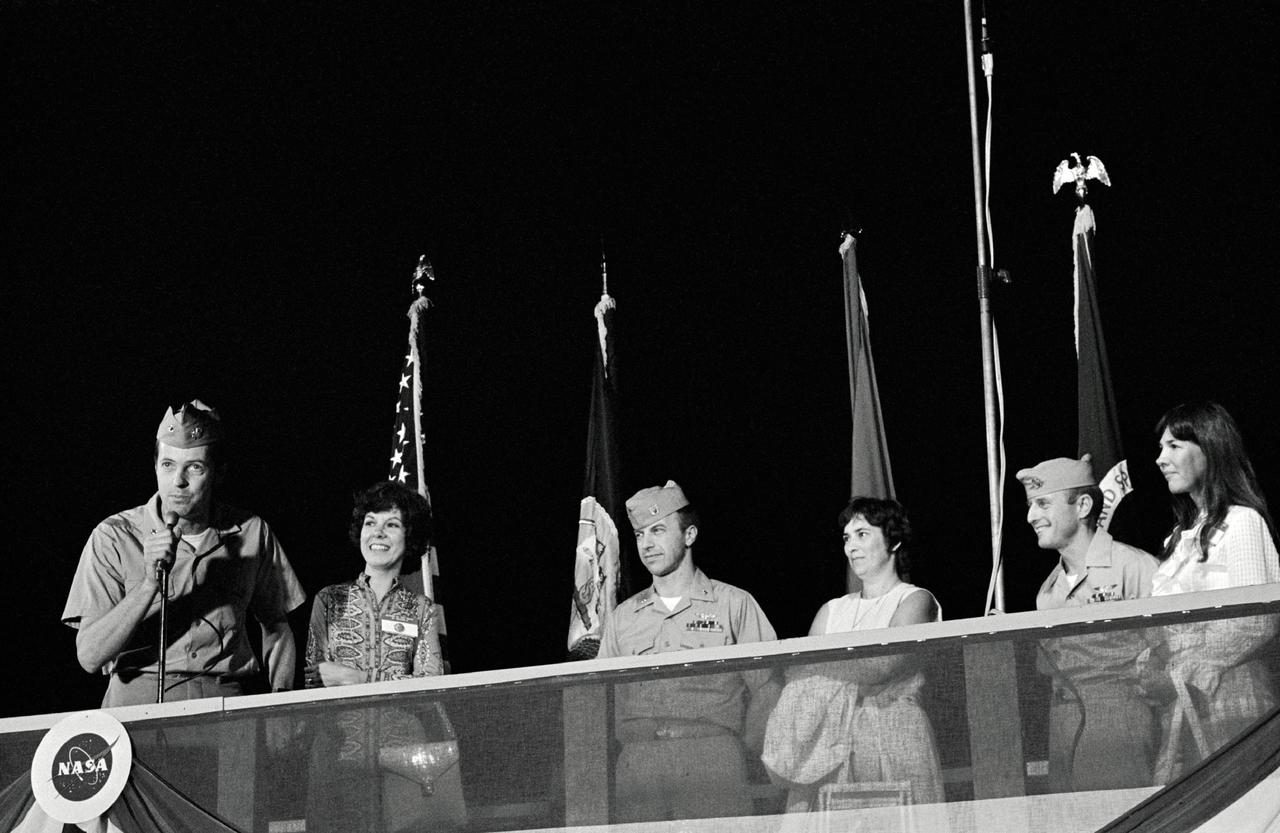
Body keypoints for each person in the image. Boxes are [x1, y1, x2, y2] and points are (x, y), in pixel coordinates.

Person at [63, 400, 306, 706]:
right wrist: (149, 586)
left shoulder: (252, 532)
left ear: (218, 473)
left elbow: (277, 626)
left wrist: (281, 702)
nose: (178, 481)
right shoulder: (114, 536)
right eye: (167, 465)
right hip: (137, 702)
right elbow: (89, 656)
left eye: (194, 467)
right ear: (154, 467)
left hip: (224, 704)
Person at [596, 480, 780, 823]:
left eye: (658, 531)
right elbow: (598, 699)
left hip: (710, 757)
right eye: (639, 535)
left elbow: (768, 689)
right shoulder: (622, 617)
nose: (647, 544)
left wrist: (742, 746)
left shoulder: (733, 604)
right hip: (639, 763)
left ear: (690, 535)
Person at [763, 497, 944, 825]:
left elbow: (882, 665)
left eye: (862, 534)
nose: (851, 547)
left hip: (895, 731)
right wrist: (833, 669)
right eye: (847, 538)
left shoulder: (915, 600)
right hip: (829, 741)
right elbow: (798, 676)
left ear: (894, 540)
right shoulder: (832, 609)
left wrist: (823, 665)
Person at [304, 480, 463, 833]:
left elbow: (430, 687)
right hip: (339, 764)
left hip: (405, 765)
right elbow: (314, 679)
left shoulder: (420, 609)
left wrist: (361, 680)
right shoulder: (329, 601)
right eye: (370, 523)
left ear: (410, 537)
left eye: (391, 524)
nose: (378, 532)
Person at [1150, 402, 1280, 779]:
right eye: (1161, 448)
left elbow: (1256, 619)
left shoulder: (1242, 523)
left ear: (1210, 447)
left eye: (1174, 446)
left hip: (1232, 696)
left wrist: (1196, 660)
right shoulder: (1177, 541)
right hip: (1181, 701)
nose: (1161, 459)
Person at [1017, 454, 1160, 791]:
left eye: (1042, 504)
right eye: (1030, 506)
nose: (1030, 517)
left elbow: (1167, 651)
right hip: (1061, 721)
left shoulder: (1133, 567)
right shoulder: (1048, 591)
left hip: (1116, 717)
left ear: (1082, 506)